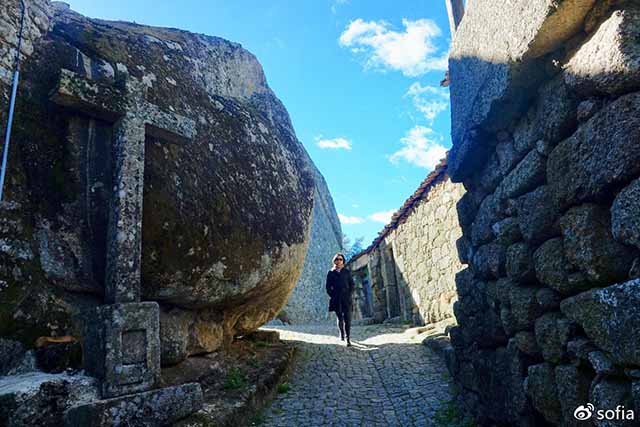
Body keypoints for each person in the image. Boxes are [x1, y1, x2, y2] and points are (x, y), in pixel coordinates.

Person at [325, 252, 355, 346]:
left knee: (347, 318)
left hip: (346, 298)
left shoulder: (347, 272)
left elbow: (352, 284)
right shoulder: (331, 272)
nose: (338, 261)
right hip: (336, 298)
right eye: (337, 259)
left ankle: (348, 338)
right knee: (340, 318)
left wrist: (349, 294)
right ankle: (341, 333)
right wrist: (333, 295)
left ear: (343, 261)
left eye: (340, 259)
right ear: (334, 261)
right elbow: (328, 287)